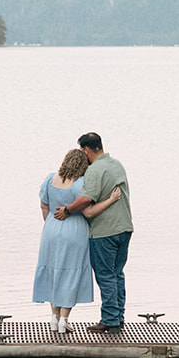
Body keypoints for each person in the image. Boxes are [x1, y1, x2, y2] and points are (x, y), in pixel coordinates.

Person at [34, 149, 124, 333]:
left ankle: (54, 318)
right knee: (70, 273)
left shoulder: (50, 179)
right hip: (74, 230)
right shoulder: (80, 184)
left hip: (51, 228)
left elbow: (43, 205)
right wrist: (111, 199)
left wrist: (50, 222)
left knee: (53, 271)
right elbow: (89, 211)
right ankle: (64, 320)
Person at [54, 132, 132, 329]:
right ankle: (119, 316)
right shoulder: (116, 164)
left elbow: (86, 199)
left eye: (82, 150)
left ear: (86, 150)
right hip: (124, 227)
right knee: (117, 274)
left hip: (104, 230)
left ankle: (110, 321)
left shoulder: (95, 170)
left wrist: (67, 210)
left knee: (105, 275)